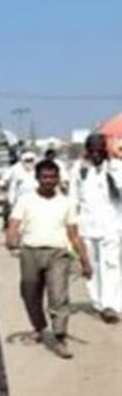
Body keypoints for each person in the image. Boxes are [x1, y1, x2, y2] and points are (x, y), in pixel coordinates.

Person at [6, 158, 92, 358]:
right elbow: (14, 223)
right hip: (30, 252)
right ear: (37, 178)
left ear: (58, 179)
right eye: (44, 177)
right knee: (30, 293)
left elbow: (74, 234)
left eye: (52, 177)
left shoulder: (66, 202)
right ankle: (39, 327)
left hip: (58, 254)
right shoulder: (26, 200)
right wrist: (11, 237)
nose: (48, 181)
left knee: (59, 296)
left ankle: (60, 337)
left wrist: (85, 261)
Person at [67, 133, 122, 324]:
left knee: (111, 264)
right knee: (91, 265)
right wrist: (71, 223)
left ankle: (111, 305)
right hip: (87, 225)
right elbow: (72, 198)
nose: (96, 154)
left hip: (112, 224)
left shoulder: (117, 166)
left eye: (99, 150)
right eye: (92, 150)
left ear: (105, 149)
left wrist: (113, 172)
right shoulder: (79, 169)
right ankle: (98, 302)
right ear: (87, 151)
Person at [0, 152, 39, 229]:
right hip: (18, 199)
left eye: (31, 160)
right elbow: (5, 178)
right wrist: (2, 183)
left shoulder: (39, 169)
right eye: (27, 160)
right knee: (8, 212)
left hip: (36, 199)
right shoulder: (15, 168)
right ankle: (7, 225)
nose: (29, 162)